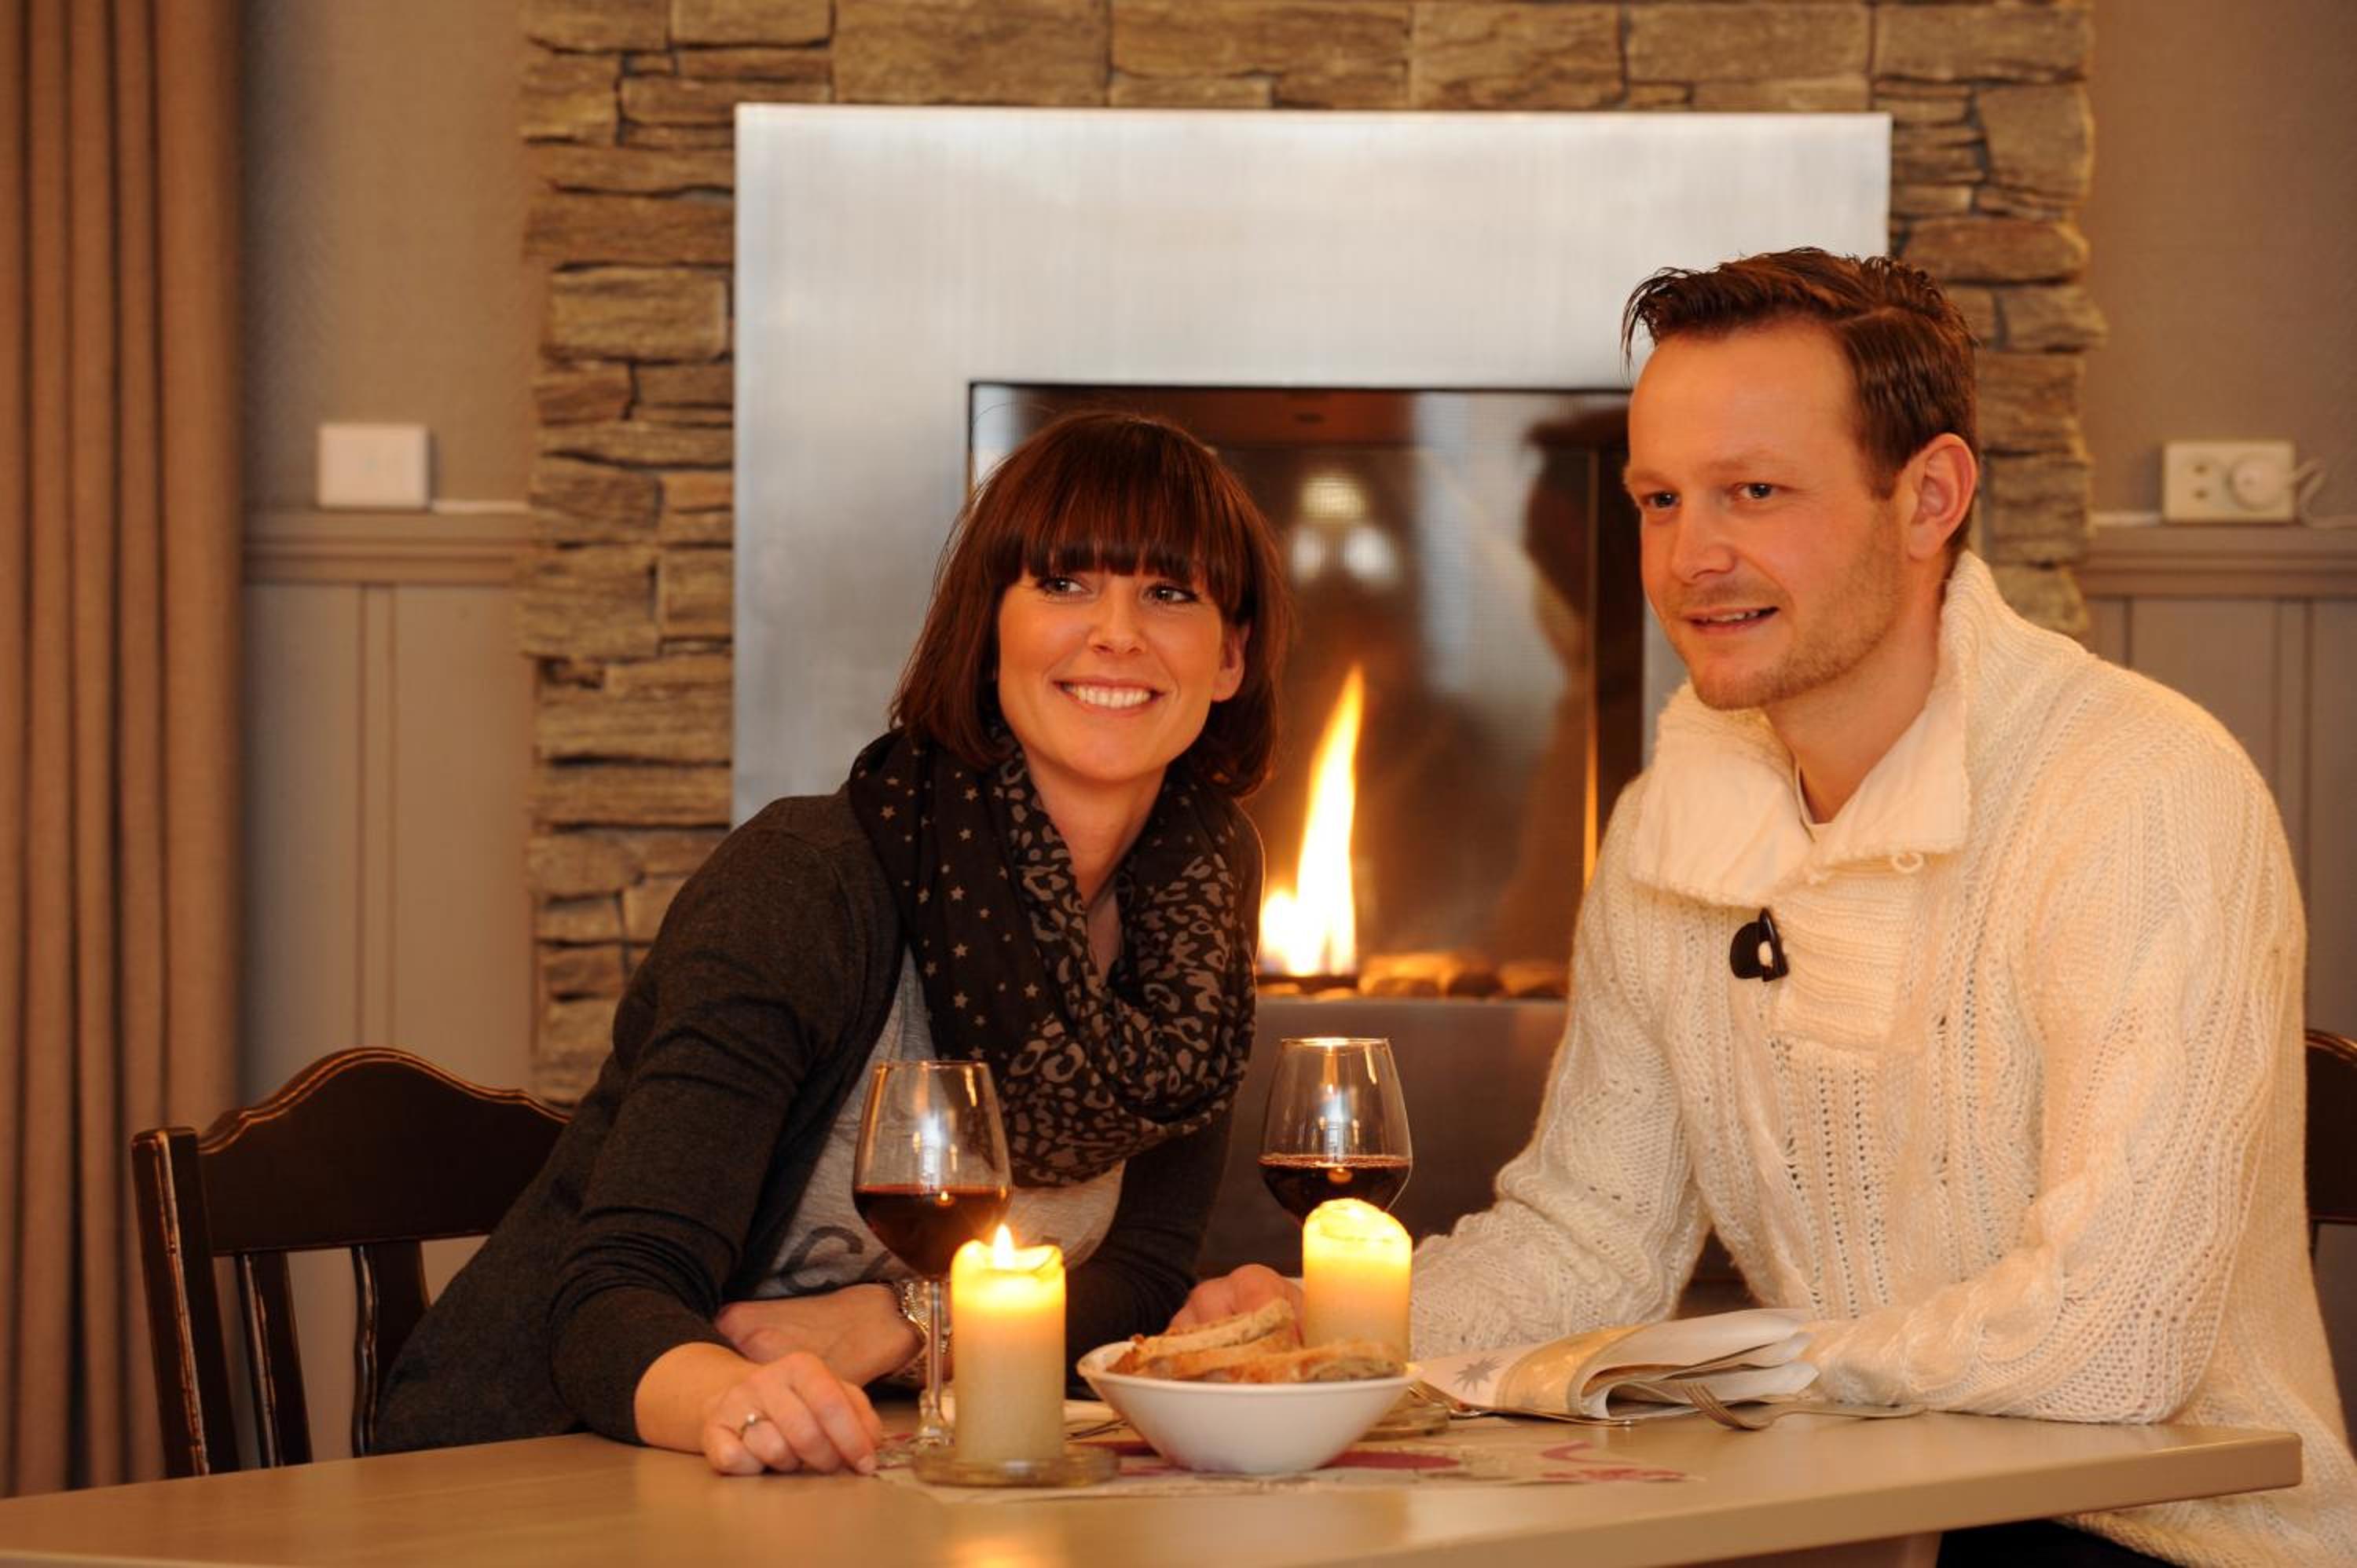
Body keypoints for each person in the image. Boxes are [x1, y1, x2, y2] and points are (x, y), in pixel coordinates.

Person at [1178, 250, 2356, 1564]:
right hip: (1865, 1510)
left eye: (1755, 491)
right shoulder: (1671, 824)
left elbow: (2117, 1345)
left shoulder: (2139, 792)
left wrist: (1732, 1369)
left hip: (2171, 1543)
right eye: (1660, 499)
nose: (1692, 557)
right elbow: (1593, 1243)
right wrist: (1331, 1325)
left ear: (1929, 498)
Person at [379, 409, 1291, 1476]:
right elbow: (614, 1288)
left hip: (869, 1473)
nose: (1117, 634)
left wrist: (904, 1323)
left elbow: (1138, 1274)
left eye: (1170, 594)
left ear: (1229, 657)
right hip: (549, 1462)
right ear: (987, 630)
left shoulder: (1196, 906)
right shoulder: (807, 883)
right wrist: (746, 1397)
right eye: (1063, 583)